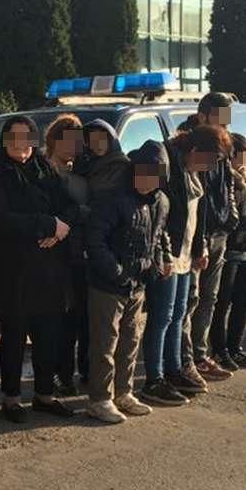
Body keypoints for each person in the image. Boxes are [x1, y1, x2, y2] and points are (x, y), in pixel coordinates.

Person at [0, 116, 78, 424]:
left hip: (49, 269)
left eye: (27, 137)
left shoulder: (44, 168)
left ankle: (44, 394)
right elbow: (1, 219)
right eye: (15, 137)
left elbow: (69, 206)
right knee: (14, 337)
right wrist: (47, 224)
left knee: (48, 334)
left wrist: (59, 229)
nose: (21, 144)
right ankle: (10, 398)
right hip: (14, 270)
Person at [85, 141, 170, 424]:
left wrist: (161, 261)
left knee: (130, 341)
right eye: (143, 171)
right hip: (108, 285)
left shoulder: (161, 201)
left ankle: (124, 392)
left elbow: (159, 236)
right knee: (104, 344)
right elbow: (95, 240)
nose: (147, 179)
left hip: (139, 283)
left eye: (155, 174)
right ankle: (100, 399)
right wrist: (117, 271)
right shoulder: (112, 199)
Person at [139, 125, 224, 406]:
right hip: (168, 255)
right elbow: (160, 215)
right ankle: (154, 379)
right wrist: (163, 255)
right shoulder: (167, 165)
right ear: (195, 150)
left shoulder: (194, 172)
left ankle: (174, 370)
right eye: (210, 159)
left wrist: (200, 248)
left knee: (178, 314)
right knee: (161, 317)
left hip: (186, 253)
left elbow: (199, 212)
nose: (211, 167)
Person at [179, 93, 239, 383]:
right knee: (189, 300)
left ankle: (201, 355)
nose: (224, 125)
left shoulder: (223, 143)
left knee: (210, 298)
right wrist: (199, 241)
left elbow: (228, 183)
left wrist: (232, 215)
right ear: (203, 116)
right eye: (219, 118)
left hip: (219, 232)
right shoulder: (192, 145)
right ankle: (184, 359)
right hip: (195, 236)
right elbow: (195, 200)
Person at [45, 114, 89, 396]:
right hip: (49, 256)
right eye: (68, 140)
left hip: (78, 257)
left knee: (75, 318)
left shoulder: (82, 178)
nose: (74, 146)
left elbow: (89, 213)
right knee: (52, 320)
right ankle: (51, 374)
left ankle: (67, 374)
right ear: (54, 140)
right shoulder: (41, 172)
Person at [210, 134, 246, 372]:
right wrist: (244, 222)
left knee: (244, 301)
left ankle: (235, 348)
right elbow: (222, 215)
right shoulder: (225, 178)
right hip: (228, 249)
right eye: (243, 155)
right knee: (222, 303)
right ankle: (219, 350)